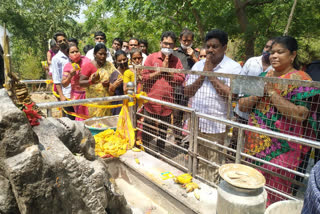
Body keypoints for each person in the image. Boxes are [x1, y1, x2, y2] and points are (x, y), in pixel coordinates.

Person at [238, 36, 319, 205]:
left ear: (292, 55)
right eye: (271, 52)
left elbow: (300, 114)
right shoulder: (261, 75)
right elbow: (242, 106)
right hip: (254, 145)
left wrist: (271, 92)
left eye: (280, 52)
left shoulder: (302, 80)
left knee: (274, 194)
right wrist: (259, 91)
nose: (274, 56)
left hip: (283, 150)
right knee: (251, 190)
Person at [184, 29, 242, 183]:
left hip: (216, 125)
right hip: (196, 122)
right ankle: (199, 185)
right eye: (208, 46)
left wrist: (211, 74)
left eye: (214, 46)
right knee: (197, 157)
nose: (210, 50)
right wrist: (203, 74)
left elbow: (232, 96)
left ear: (224, 47)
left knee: (214, 162)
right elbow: (187, 91)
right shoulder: (198, 66)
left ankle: (211, 190)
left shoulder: (234, 68)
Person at [141, 31, 185, 153]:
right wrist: (160, 71)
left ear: (174, 45)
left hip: (166, 103)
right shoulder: (151, 58)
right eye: (165, 43)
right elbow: (144, 77)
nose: (167, 47)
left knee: (162, 131)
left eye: (170, 44)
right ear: (160, 43)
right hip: (151, 102)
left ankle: (160, 153)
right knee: (147, 129)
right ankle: (146, 152)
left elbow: (181, 79)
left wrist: (168, 71)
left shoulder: (177, 61)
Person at [234, 39, 274, 124]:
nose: (267, 50)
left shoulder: (276, 69)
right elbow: (241, 83)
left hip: (261, 117)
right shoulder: (251, 61)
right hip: (242, 113)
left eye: (271, 49)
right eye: (266, 47)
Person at [172, 28, 199, 144]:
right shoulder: (175, 53)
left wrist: (193, 56)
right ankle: (177, 139)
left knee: (190, 116)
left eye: (189, 41)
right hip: (177, 89)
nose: (187, 43)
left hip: (192, 90)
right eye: (184, 40)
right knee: (177, 114)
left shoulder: (196, 53)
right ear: (180, 40)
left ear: (193, 40)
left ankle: (189, 140)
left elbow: (202, 68)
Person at [80, 44, 116, 117]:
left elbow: (116, 77)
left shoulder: (109, 65)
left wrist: (109, 83)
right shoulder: (88, 66)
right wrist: (91, 81)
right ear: (95, 54)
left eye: (104, 54)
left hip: (107, 101)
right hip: (94, 103)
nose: (103, 56)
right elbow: (81, 83)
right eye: (100, 54)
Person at [61, 44, 90, 121]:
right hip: (77, 96)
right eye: (72, 52)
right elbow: (64, 84)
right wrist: (70, 75)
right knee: (80, 118)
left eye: (76, 51)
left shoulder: (86, 61)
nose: (75, 54)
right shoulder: (68, 66)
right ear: (68, 55)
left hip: (89, 93)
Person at [51, 32, 75, 119]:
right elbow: (56, 79)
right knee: (71, 119)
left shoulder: (73, 55)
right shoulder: (56, 59)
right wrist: (61, 95)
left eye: (64, 40)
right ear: (57, 43)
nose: (63, 42)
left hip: (78, 93)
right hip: (67, 93)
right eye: (60, 41)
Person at [108, 50, 127, 115]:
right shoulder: (114, 74)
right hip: (118, 105)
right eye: (119, 61)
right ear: (116, 61)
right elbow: (110, 94)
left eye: (124, 59)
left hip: (131, 103)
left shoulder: (131, 71)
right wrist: (114, 86)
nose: (122, 62)